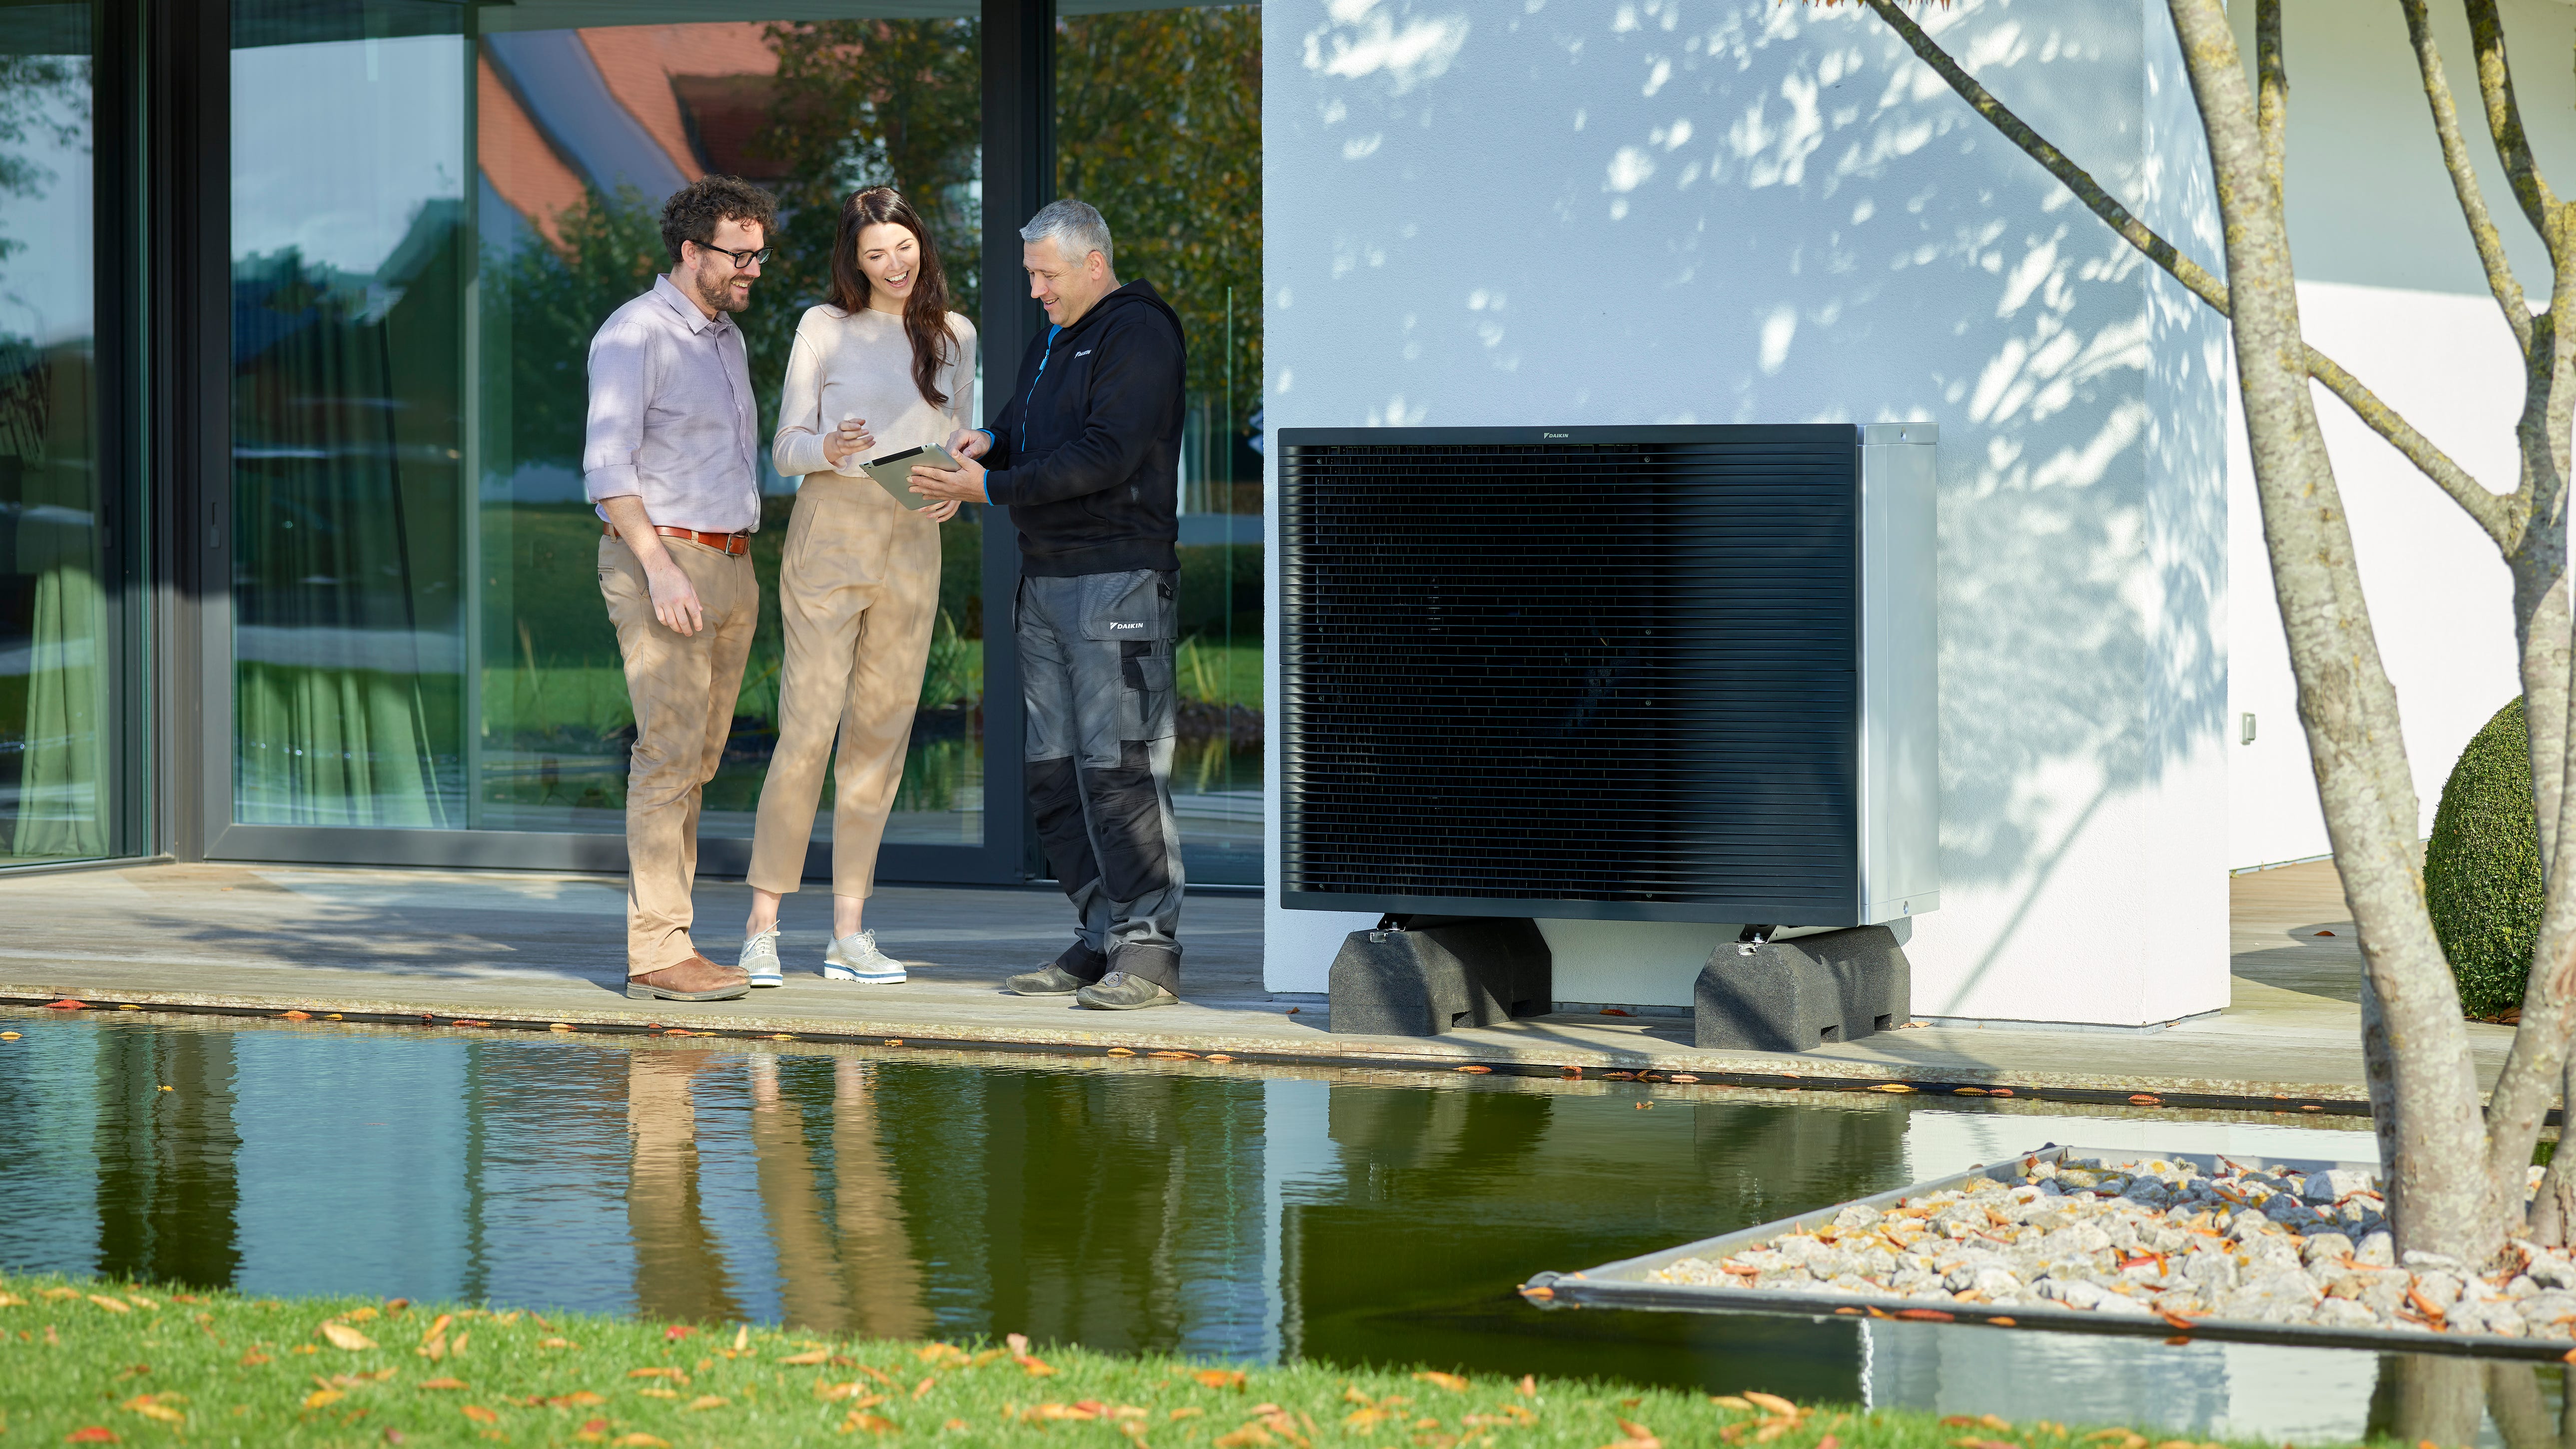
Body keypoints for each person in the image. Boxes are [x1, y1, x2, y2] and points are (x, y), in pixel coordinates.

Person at [910, 199, 1189, 1011]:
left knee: (1121, 767)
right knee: (1054, 773)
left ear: (1094, 264)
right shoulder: (1054, 338)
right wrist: (989, 443)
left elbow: (1108, 452)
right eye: (1032, 275)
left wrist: (991, 488)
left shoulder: (1140, 333)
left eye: (1046, 275)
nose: (1035, 290)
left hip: (1118, 578)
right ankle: (1102, 936)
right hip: (1044, 579)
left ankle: (1149, 952)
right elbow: (1026, 427)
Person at [737, 188, 975, 988]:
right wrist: (831, 449)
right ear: (855, 262)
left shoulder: (956, 335)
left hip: (913, 541)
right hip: (830, 537)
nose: (894, 265)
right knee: (808, 730)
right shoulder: (823, 327)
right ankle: (762, 927)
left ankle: (848, 933)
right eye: (876, 255)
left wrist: (955, 485)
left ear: (922, 244)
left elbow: (957, 441)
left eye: (903, 248)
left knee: (881, 737)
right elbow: (785, 449)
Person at [586, 175, 778, 1004]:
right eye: (740, 256)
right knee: (667, 756)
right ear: (693, 251)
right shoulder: (635, 334)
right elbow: (607, 469)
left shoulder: (725, 339)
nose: (754, 270)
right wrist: (660, 567)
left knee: (697, 760)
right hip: (664, 563)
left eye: (760, 255)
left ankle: (675, 939)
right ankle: (658, 952)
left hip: (730, 565)